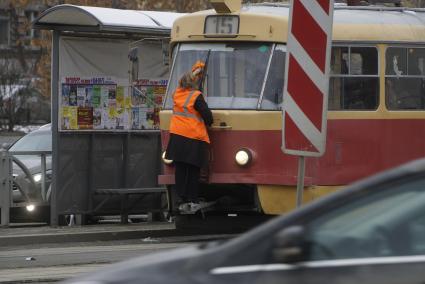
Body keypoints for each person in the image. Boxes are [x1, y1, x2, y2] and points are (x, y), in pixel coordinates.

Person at [165, 60, 213, 214]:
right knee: (193, 169)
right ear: (194, 82)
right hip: (193, 136)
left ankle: (182, 198)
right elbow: (208, 117)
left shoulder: (176, 94)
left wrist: (198, 68)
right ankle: (192, 198)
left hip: (177, 136)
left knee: (180, 168)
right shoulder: (196, 96)